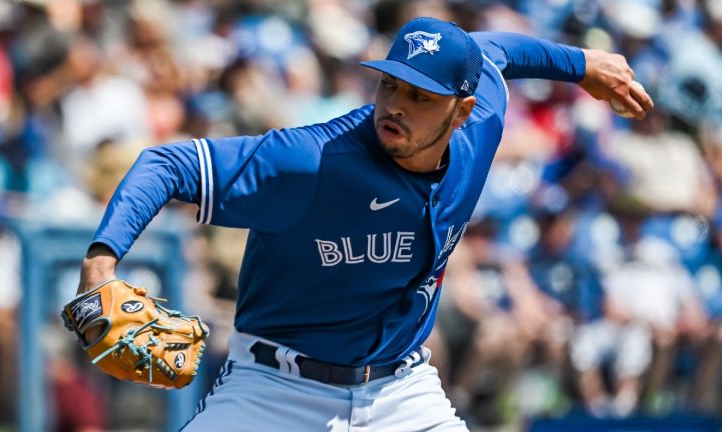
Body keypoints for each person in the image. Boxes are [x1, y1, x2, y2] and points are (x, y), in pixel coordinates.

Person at [74, 17, 653, 431]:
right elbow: (166, 163)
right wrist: (101, 262)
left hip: (403, 394)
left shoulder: (483, 125)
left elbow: (491, 50)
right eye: (389, 84)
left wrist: (579, 65)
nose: (395, 105)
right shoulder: (312, 161)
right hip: (275, 392)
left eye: (420, 95)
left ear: (463, 110)